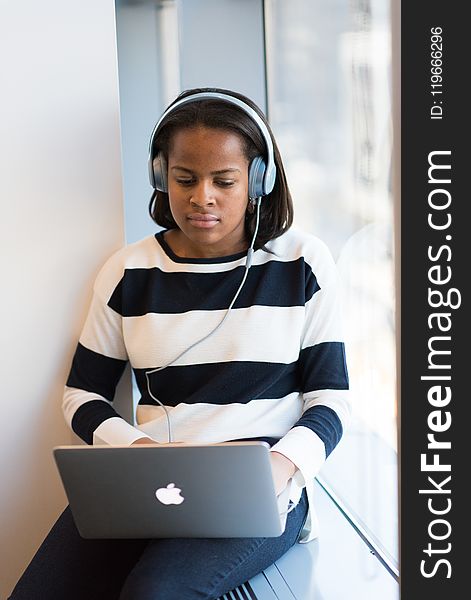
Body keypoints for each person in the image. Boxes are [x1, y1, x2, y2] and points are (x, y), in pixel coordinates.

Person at [9, 87, 350, 600]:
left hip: (262, 489)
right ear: (159, 175)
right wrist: (138, 451)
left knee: (155, 592)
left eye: (224, 181)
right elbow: (82, 395)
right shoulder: (128, 271)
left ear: (260, 180)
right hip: (148, 481)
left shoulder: (302, 263)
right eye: (184, 179)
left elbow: (331, 400)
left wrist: (278, 470)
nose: (201, 197)